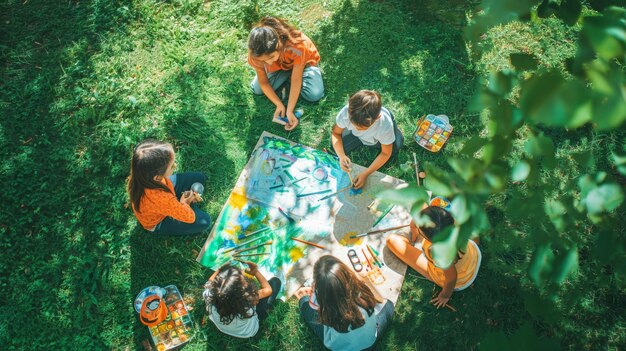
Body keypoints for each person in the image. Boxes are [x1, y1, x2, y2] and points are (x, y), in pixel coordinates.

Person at [386, 206, 481, 308]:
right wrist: (414, 226)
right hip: (473, 257)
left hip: (461, 279)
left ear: (426, 236)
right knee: (423, 206)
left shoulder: (439, 253)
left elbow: (451, 278)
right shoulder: (452, 221)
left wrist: (445, 296)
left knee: (392, 241)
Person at [294, 255, 394, 351]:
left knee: (304, 302)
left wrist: (312, 293)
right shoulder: (362, 289)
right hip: (370, 342)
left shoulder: (327, 306)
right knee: (389, 305)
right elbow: (378, 300)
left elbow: (313, 305)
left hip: (339, 347)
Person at [248, 16, 324, 131]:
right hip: (281, 67)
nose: (268, 62)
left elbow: (296, 79)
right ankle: (286, 75)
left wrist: (289, 110)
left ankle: (291, 76)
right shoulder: (256, 55)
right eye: (263, 61)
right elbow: (263, 83)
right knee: (257, 89)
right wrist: (279, 104)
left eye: (271, 57)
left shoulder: (296, 46)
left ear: (278, 45)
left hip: (303, 64)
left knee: (314, 94)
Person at [127, 139, 211, 235]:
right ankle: (188, 205)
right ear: (158, 177)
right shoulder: (160, 198)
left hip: (163, 190)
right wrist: (185, 202)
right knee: (205, 221)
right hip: (159, 221)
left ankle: (184, 203)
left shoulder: (141, 174)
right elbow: (189, 217)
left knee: (199, 177)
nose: (175, 165)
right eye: (171, 166)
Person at [331, 90, 404, 189]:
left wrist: (366, 174)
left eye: (362, 127)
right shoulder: (346, 113)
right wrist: (341, 156)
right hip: (357, 136)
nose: (357, 129)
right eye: (354, 125)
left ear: (378, 117)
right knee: (335, 147)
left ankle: (395, 134)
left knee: (395, 148)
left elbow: (386, 153)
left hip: (377, 139)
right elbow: (336, 133)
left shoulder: (384, 125)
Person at [203, 261, 281, 338]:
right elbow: (268, 290)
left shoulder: (209, 294)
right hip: (249, 331)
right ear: (240, 292)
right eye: (242, 278)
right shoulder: (245, 300)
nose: (242, 272)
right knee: (275, 282)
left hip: (224, 327)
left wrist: (220, 269)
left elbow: (210, 280)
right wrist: (255, 272)